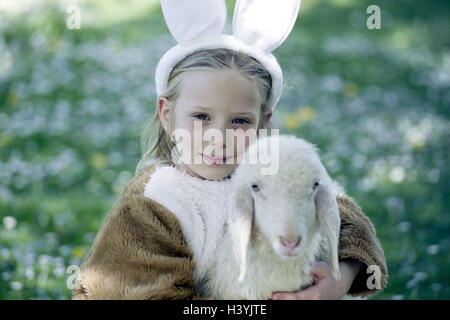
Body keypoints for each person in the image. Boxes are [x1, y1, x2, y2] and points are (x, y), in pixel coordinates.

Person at [72, 0, 388, 300]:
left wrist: (342, 275)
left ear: (263, 123)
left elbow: (351, 224)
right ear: (167, 114)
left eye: (239, 121)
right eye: (201, 117)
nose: (219, 137)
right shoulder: (156, 202)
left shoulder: (272, 173)